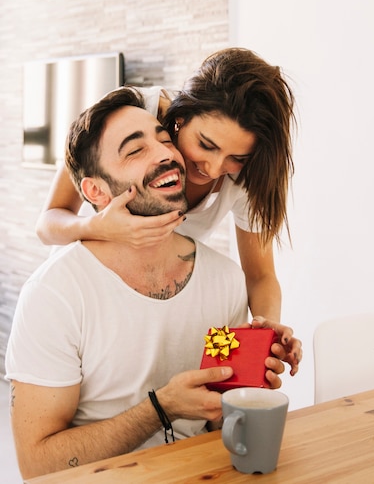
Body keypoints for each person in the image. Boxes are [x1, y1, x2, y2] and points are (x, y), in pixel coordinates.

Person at [5, 87, 289, 479]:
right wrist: (162, 408)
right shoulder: (56, 295)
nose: (205, 167)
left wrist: (255, 358)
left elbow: (218, 421)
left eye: (162, 141)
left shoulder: (224, 281)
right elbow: (37, 465)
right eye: (135, 150)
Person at [35, 47, 300, 371]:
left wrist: (264, 339)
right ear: (179, 118)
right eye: (206, 145)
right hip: (93, 295)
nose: (215, 168)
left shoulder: (222, 280)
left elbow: (260, 275)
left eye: (236, 158)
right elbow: (47, 223)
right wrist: (98, 227)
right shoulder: (130, 115)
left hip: (162, 297)